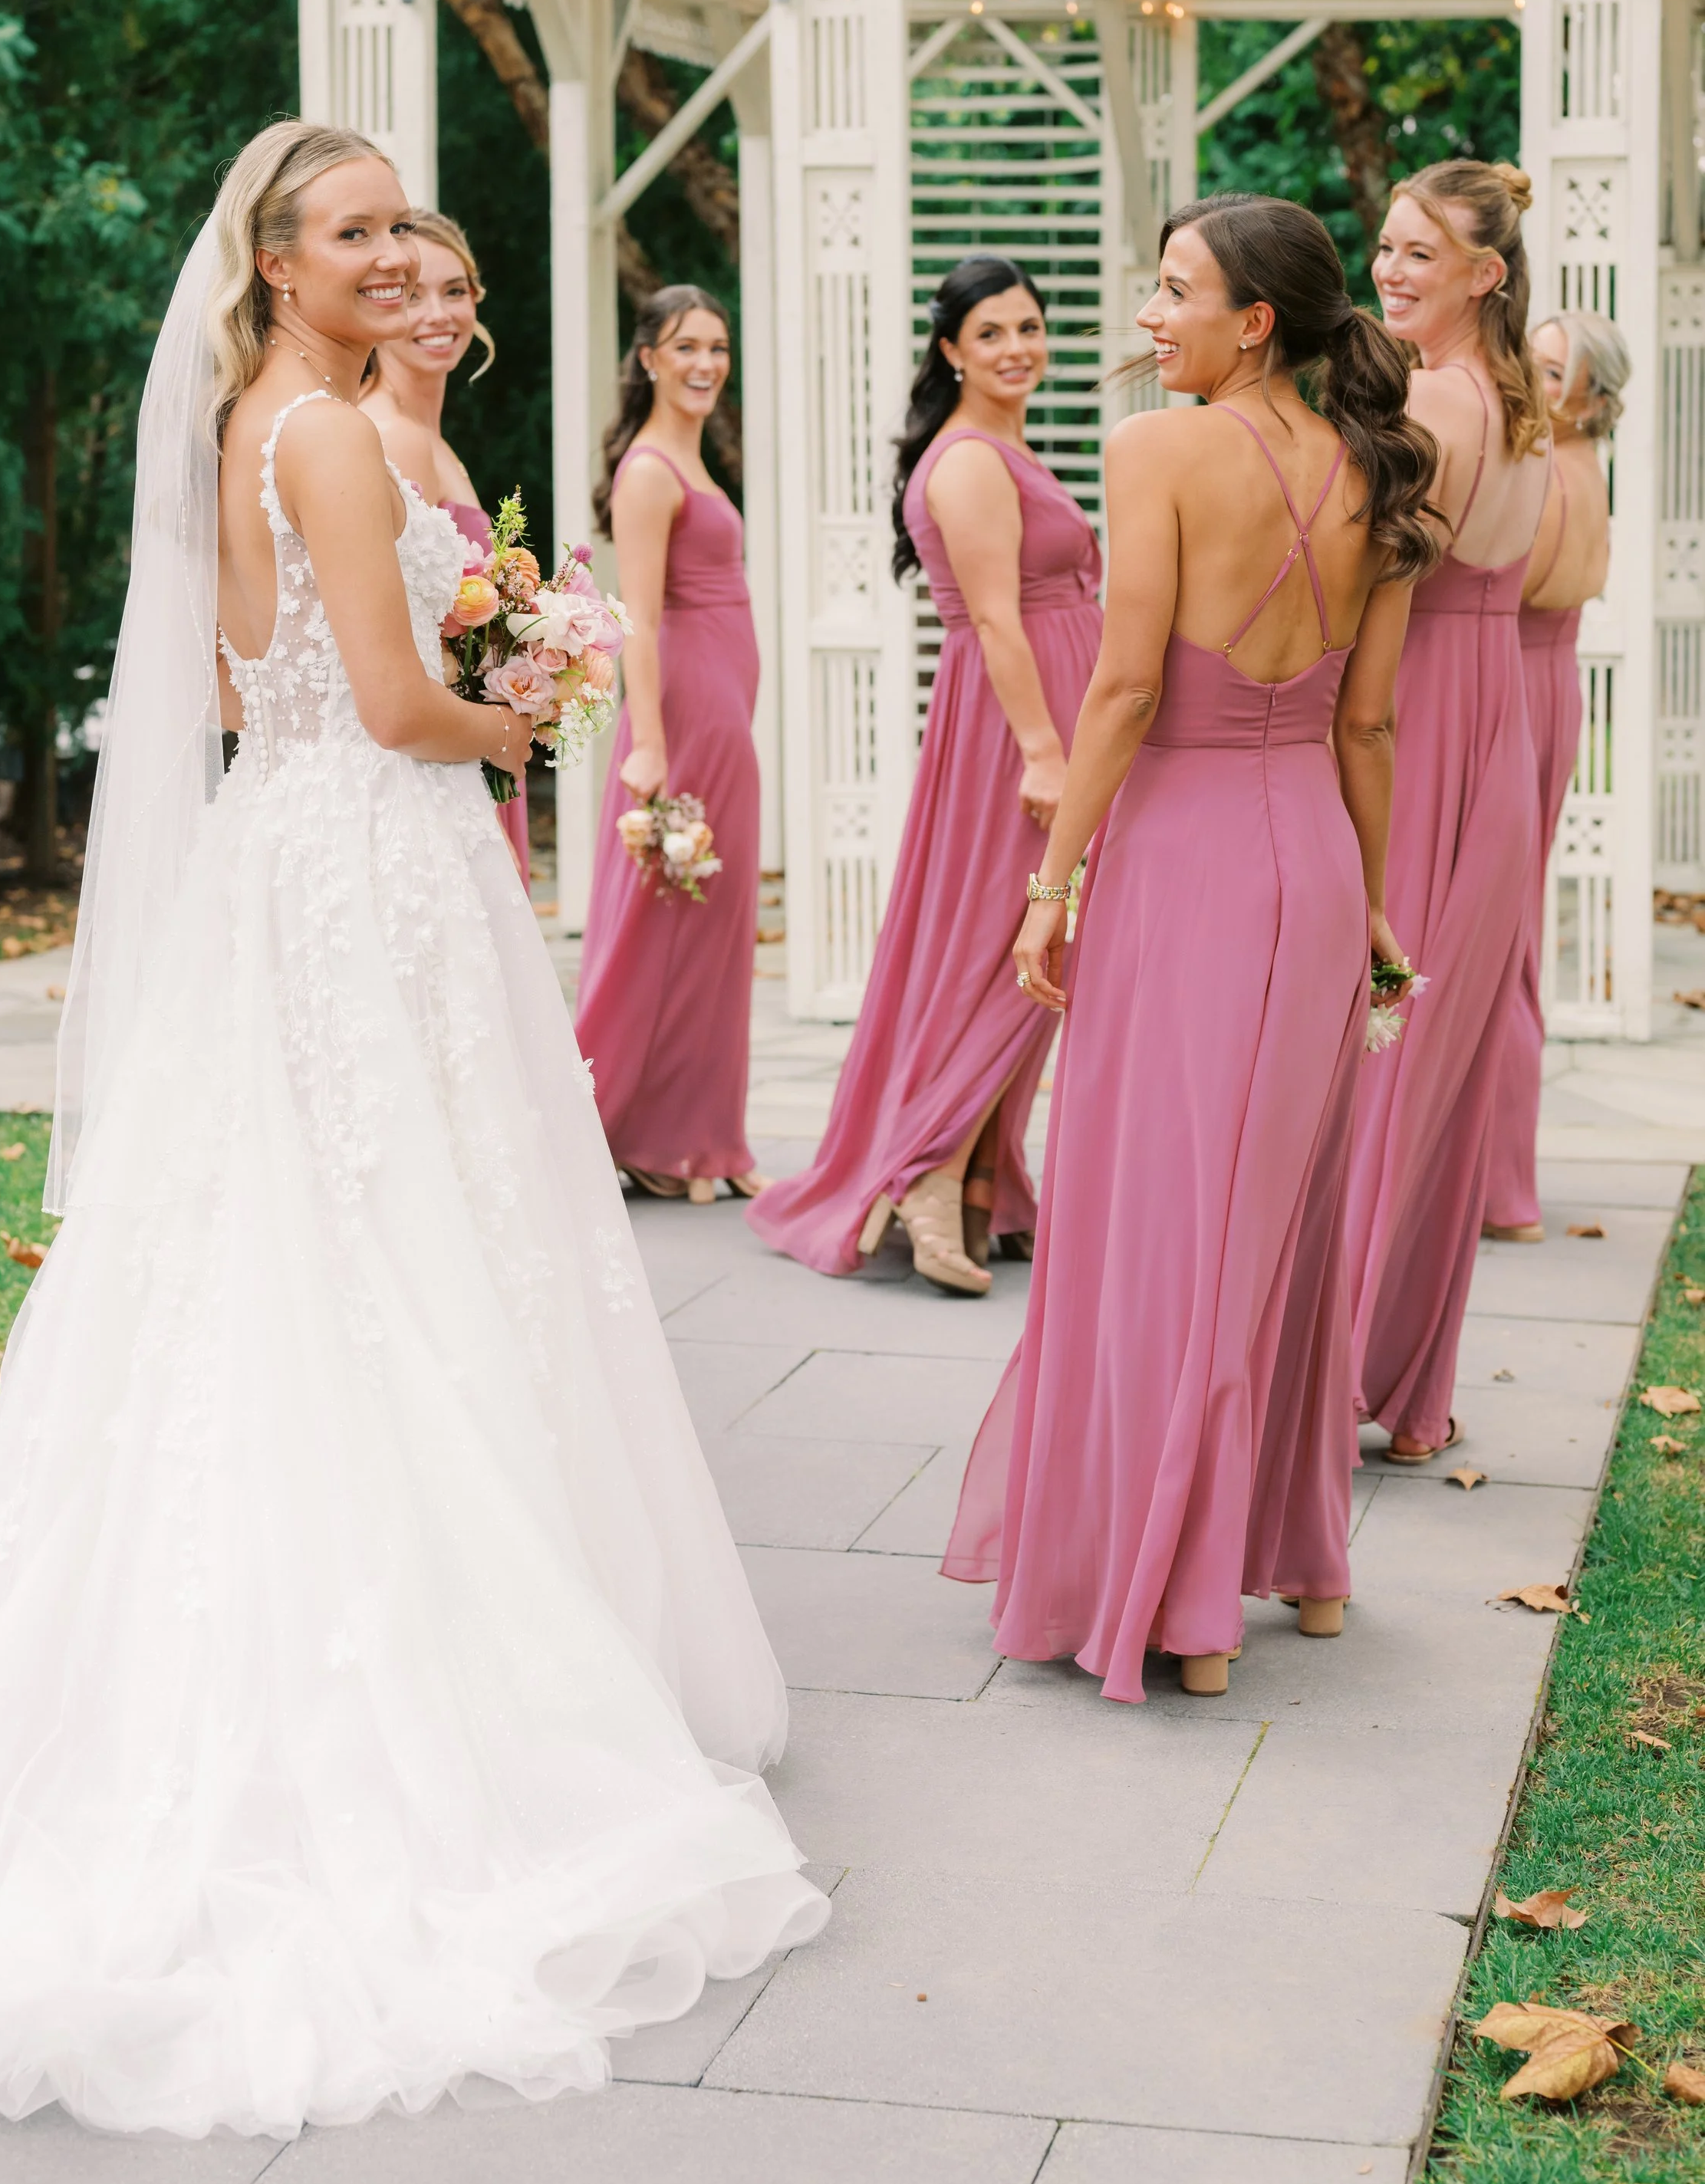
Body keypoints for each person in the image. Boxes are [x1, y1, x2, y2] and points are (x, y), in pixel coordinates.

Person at [0, 125, 825, 2139]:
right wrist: (521, 707)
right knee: (398, 1247)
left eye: (390, 230)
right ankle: (448, 1695)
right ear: (271, 256)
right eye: (348, 233)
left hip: (305, 864)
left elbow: (272, 692)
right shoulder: (331, 439)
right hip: (379, 855)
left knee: (308, 1247)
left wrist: (501, 658)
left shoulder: (255, 422)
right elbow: (385, 694)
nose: (379, 256)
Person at [943, 194, 1437, 1704]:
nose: (1147, 317)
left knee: (1163, 1219)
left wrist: (1047, 883)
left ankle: (1178, 1606)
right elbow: (1369, 723)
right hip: (1308, 856)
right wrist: (1360, 903)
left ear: (1254, 321)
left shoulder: (1157, 449)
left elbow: (1124, 694)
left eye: (1174, 292)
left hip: (1177, 860)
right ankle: (1302, 1565)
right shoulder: (1378, 466)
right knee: (1272, 1220)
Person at [749, 256, 1103, 1294]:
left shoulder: (1003, 445)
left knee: (1045, 942)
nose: (1018, 348)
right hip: (1013, 728)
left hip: (1047, 708)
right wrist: (1044, 748)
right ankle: (931, 1164)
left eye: (1031, 326)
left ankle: (989, 1172)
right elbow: (996, 616)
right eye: (992, 332)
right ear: (950, 349)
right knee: (1005, 945)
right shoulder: (968, 462)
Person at [1346, 161, 1551, 1462]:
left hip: (1420, 717)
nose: (1391, 269)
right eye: (1384, 248)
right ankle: (1410, 1387)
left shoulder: (1434, 399)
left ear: (1485, 272)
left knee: (1381, 1053)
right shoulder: (1523, 404)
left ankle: (1339, 1359)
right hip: (1492, 723)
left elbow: (1380, 582)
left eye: (1423, 253)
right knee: (1439, 1065)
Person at [573, 288, 765, 1203]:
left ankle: (690, 1136)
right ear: (646, 356)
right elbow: (636, 620)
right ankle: (603, 1124)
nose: (705, 363)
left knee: (711, 925)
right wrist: (646, 745)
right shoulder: (650, 470)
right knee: (659, 920)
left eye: (717, 347)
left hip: (721, 712)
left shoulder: (696, 453)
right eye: (686, 346)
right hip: (681, 715)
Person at [1483, 309, 1631, 1238]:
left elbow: (1495, 588)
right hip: (1548, 685)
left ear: (1591, 401)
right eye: (1525, 365)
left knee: (1491, 941)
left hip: (1508, 686)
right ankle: (1502, 1180)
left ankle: (1494, 1184)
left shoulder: (1545, 474)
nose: (1528, 386)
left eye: (1548, 374)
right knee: (1511, 935)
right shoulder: (1583, 469)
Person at [360, 210, 532, 887]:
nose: (438, 314)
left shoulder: (432, 439)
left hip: (473, 743)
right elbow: (403, 642)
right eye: (413, 294)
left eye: (455, 291)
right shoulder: (390, 437)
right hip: (443, 757)